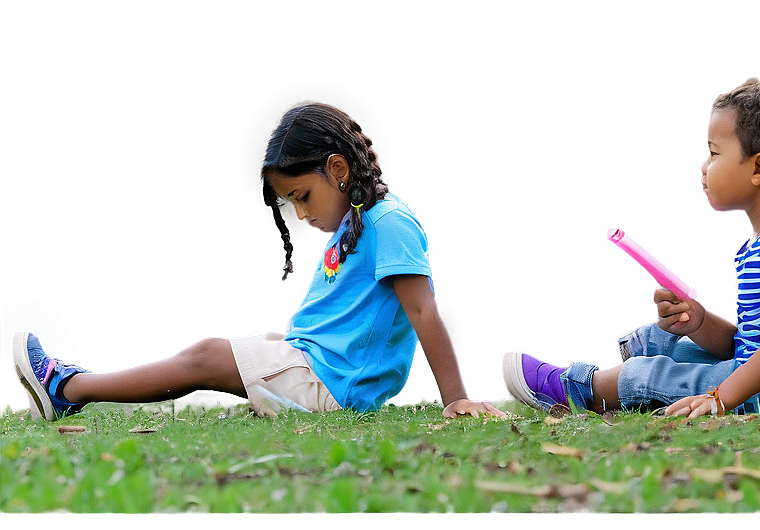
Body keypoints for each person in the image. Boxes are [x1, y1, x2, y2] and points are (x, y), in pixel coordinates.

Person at [13, 100, 506, 422]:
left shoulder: (388, 222)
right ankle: (74, 386)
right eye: (291, 203)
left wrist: (456, 398)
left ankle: (68, 387)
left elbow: (422, 310)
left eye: (302, 195)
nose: (301, 213)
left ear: (337, 169)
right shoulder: (362, 221)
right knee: (226, 349)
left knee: (205, 356)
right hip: (321, 367)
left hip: (333, 382)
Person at [502, 78, 760, 419]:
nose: (703, 167)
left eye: (714, 153)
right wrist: (700, 322)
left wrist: (720, 398)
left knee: (653, 374)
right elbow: (754, 344)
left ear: (758, 167)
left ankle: (577, 387)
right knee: (668, 336)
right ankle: (628, 369)